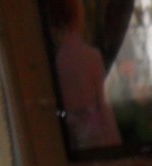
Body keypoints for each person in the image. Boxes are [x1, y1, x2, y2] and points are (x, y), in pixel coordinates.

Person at [47, 0, 122, 149]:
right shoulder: (91, 57)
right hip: (98, 141)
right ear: (78, 15)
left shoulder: (57, 61)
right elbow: (104, 105)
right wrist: (117, 146)